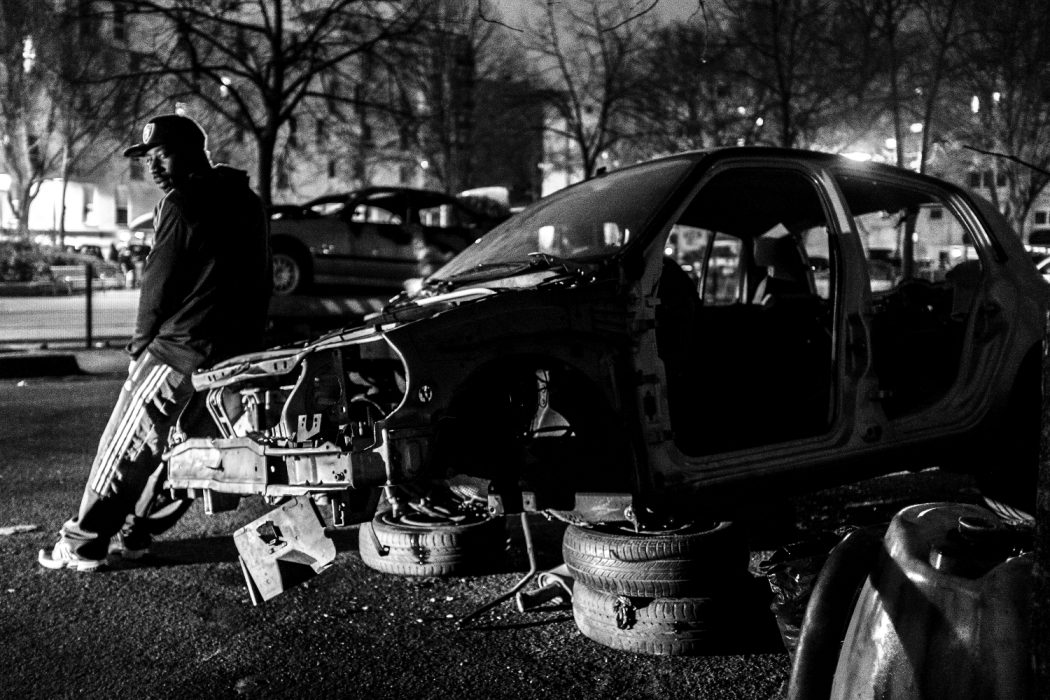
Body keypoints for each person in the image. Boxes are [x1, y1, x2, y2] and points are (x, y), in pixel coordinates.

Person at [39, 113, 272, 571]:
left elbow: (158, 284)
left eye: (160, 155)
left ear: (190, 151)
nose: (154, 167)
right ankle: (137, 533)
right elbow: (261, 278)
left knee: (126, 446)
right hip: (232, 354)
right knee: (185, 453)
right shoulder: (247, 201)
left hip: (176, 350)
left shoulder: (180, 203)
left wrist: (138, 350)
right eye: (149, 158)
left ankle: (85, 543)